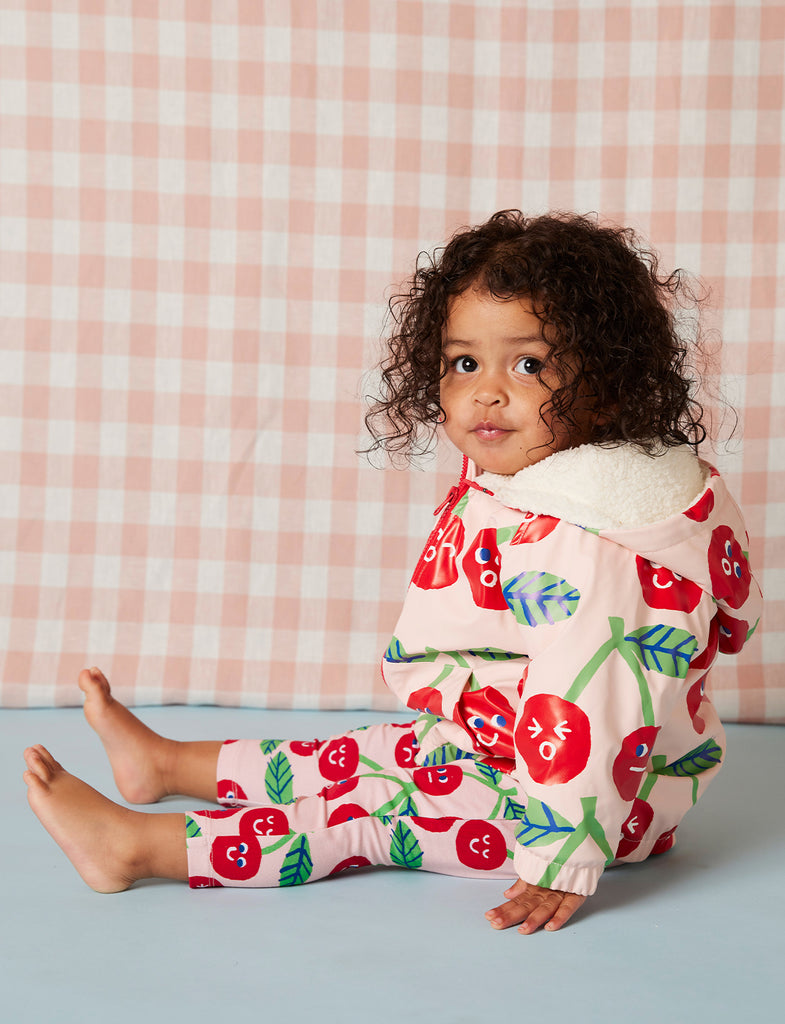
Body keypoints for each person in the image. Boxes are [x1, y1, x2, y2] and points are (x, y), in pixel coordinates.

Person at [23, 211, 761, 934]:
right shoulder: (552, 481)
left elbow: (592, 706)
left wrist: (559, 855)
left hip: (593, 806)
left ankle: (139, 849)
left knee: (366, 814)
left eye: (528, 364)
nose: (487, 391)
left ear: (607, 382)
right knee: (369, 752)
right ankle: (165, 765)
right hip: (496, 746)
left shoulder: (596, 542)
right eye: (464, 361)